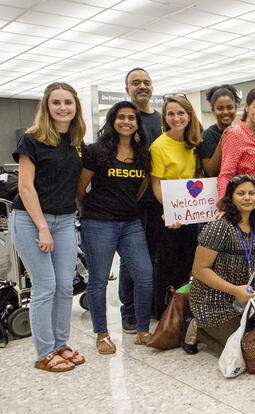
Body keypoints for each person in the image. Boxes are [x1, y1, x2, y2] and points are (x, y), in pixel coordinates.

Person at [10, 82, 85, 372]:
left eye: (68, 102)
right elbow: (25, 186)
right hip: (31, 220)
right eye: (57, 102)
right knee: (45, 286)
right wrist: (42, 227)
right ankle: (44, 353)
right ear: (47, 106)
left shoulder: (76, 142)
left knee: (66, 287)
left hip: (65, 220)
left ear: (75, 106)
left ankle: (59, 345)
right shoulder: (32, 139)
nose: (63, 107)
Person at [77, 101, 153, 352]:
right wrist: (87, 211)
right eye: (121, 117)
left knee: (144, 275)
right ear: (112, 120)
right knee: (98, 280)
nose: (127, 122)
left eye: (132, 118)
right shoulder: (97, 151)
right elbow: (81, 188)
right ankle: (102, 334)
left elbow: (141, 188)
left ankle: (142, 330)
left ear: (137, 123)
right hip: (98, 222)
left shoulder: (143, 154)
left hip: (130, 222)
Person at [191, 175, 255, 355]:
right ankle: (197, 329)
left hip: (247, 294)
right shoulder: (220, 226)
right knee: (249, 351)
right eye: (241, 193)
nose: (247, 197)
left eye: (252, 193)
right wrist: (235, 291)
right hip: (213, 301)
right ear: (230, 197)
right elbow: (199, 270)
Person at [149, 94, 202, 318]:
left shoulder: (195, 143)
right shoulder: (159, 146)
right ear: (165, 117)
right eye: (171, 113)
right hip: (169, 216)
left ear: (189, 116)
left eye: (181, 113)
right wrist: (171, 211)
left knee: (187, 263)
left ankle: (182, 310)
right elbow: (157, 185)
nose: (176, 118)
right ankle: (163, 313)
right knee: (167, 265)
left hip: (192, 215)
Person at [120, 67, 162, 334]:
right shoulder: (123, 117)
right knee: (130, 259)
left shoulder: (162, 119)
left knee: (156, 257)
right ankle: (130, 312)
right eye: (136, 83)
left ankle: (153, 306)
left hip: (160, 200)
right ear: (127, 89)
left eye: (146, 82)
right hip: (130, 201)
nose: (142, 86)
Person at [217, 88, 255, 211]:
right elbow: (225, 175)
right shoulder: (235, 134)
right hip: (249, 209)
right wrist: (223, 207)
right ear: (246, 107)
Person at [200, 85, 241, 177]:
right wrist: (223, 141)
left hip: (238, 188)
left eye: (230, 107)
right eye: (220, 108)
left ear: (235, 109)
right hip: (216, 189)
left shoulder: (239, 133)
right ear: (213, 111)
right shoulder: (207, 136)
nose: (226, 112)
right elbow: (211, 172)